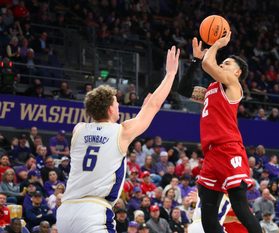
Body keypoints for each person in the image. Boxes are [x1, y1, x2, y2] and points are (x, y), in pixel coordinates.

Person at [57, 46, 180, 233]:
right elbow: (154, 105)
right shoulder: (122, 131)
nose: (119, 105)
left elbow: (100, 134)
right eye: (116, 102)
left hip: (66, 211)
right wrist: (170, 74)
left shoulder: (79, 130)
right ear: (109, 109)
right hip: (93, 211)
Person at [178, 33, 261, 233]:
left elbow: (209, 64)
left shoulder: (233, 85)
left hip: (229, 149)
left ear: (238, 72)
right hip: (211, 155)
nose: (223, 64)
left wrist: (216, 44)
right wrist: (195, 60)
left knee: (240, 207)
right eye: (222, 62)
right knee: (207, 216)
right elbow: (183, 89)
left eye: (228, 63)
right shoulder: (210, 90)